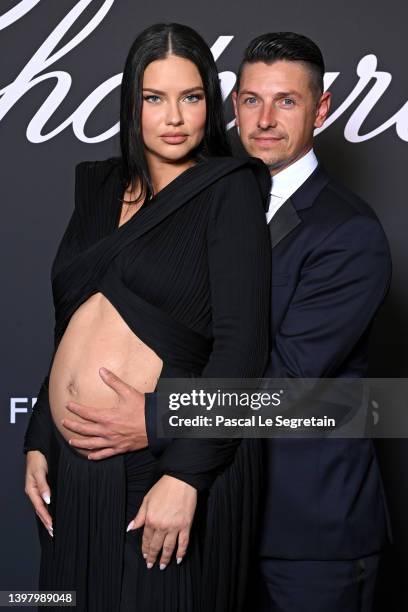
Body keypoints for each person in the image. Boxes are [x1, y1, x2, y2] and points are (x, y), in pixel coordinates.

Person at [23, 23, 271, 612]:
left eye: (191, 97)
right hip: (72, 474)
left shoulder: (228, 191)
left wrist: (185, 475)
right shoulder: (101, 187)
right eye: (154, 98)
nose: (175, 116)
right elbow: (71, 328)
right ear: (131, 104)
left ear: (210, 103)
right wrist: (39, 438)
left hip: (162, 464)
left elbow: (242, 352)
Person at [231, 32, 393, 612]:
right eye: (252, 100)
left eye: (287, 101)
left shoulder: (349, 232)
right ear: (235, 107)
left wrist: (149, 414)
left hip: (310, 540)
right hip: (218, 527)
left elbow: (287, 390)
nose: (266, 119)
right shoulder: (212, 210)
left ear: (320, 110)